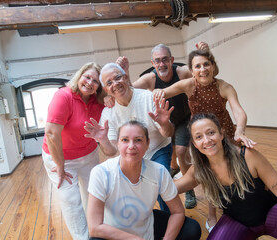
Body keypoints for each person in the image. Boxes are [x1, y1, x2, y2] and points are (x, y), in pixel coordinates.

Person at [153, 48, 257, 230]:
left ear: (213, 67)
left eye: (206, 64)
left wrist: (240, 131)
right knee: (208, 174)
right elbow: (163, 92)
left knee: (232, 172)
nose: (202, 70)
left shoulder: (224, 87)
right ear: (192, 71)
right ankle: (211, 215)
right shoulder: (188, 85)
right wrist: (150, 94)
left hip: (224, 136)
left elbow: (239, 111)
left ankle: (238, 207)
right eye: (197, 66)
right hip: (202, 139)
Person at [175, 113, 277, 240]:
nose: (206, 140)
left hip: (271, 215)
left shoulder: (247, 156)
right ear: (194, 143)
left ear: (221, 134)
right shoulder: (199, 170)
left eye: (211, 132)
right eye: (199, 137)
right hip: (238, 223)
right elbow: (173, 187)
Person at [112, 42, 209, 209]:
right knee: (168, 149)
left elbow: (205, 74)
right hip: (162, 122)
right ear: (153, 63)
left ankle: (189, 190)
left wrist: (205, 54)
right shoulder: (150, 78)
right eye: (157, 61)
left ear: (171, 60)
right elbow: (128, 89)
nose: (161, 64)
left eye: (165, 60)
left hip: (183, 119)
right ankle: (173, 167)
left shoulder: (183, 71)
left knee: (180, 150)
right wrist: (124, 72)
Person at [86, 120, 201, 240]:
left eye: (138, 140)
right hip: (114, 235)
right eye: (125, 140)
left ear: (147, 144)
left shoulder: (158, 171)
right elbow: (94, 228)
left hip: (147, 230)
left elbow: (178, 212)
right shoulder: (101, 172)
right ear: (118, 144)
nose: (131, 146)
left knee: (191, 229)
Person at [84, 63, 175, 212]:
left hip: (158, 149)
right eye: (109, 82)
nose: (115, 84)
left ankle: (171, 219)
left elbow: (168, 133)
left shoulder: (148, 98)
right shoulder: (108, 112)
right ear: (106, 90)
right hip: (132, 156)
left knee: (159, 185)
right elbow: (112, 151)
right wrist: (103, 140)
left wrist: (165, 125)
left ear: (125, 78)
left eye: (118, 78)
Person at [41, 62, 105, 240]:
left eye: (95, 81)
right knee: (71, 200)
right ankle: (83, 237)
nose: (90, 82)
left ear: (99, 86)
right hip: (61, 158)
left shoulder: (98, 100)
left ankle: (98, 230)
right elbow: (51, 133)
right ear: (79, 76)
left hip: (88, 154)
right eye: (87, 77)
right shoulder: (64, 96)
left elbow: (121, 90)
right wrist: (60, 166)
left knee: (94, 194)